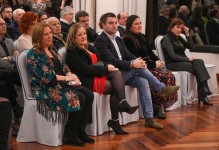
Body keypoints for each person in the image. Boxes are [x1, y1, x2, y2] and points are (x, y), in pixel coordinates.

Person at [94, 13, 179, 129]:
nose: (114, 25)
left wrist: (138, 61)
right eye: (110, 23)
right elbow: (112, 61)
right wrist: (133, 64)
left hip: (124, 72)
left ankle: (149, 118)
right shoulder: (101, 41)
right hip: (113, 76)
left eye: (115, 23)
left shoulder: (118, 39)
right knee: (138, 68)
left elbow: (128, 55)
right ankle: (161, 88)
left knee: (143, 81)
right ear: (103, 25)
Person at [26, 23, 94, 146]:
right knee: (78, 97)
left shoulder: (52, 50)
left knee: (88, 94)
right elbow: (47, 77)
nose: (49, 36)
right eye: (46, 34)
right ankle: (70, 134)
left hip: (60, 85)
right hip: (45, 88)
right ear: (38, 37)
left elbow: (64, 66)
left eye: (50, 33)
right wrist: (67, 78)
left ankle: (80, 130)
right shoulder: (34, 54)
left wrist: (72, 75)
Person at [65, 23, 139, 134]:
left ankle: (121, 108)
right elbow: (86, 69)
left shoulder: (89, 47)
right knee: (116, 87)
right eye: (79, 35)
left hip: (97, 74)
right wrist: (106, 68)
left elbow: (100, 62)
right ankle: (116, 119)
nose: (83, 36)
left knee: (116, 73)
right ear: (73, 37)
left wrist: (108, 67)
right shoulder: (72, 51)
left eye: (84, 33)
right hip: (88, 80)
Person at [123, 15, 178, 119]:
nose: (139, 26)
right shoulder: (127, 40)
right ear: (130, 27)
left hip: (147, 65)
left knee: (169, 75)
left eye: (140, 23)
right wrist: (153, 64)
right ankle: (156, 107)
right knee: (161, 77)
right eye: (136, 24)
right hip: (139, 67)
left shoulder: (142, 36)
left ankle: (161, 105)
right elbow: (135, 59)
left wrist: (158, 60)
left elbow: (150, 53)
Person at [161, 18, 212, 105]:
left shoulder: (179, 37)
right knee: (198, 67)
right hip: (173, 64)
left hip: (183, 61)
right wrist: (188, 59)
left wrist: (187, 34)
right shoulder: (167, 39)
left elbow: (192, 47)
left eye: (181, 28)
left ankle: (203, 90)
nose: (179, 30)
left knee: (199, 62)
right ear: (171, 27)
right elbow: (173, 56)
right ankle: (203, 92)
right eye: (177, 27)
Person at [0, 18, 23, 119]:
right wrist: (12, 59)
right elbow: (0, 63)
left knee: (23, 72)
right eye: (1, 25)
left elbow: (17, 57)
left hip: (12, 69)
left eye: (4, 24)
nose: (4, 26)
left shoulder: (9, 41)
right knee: (8, 73)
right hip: (6, 70)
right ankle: (15, 105)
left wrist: (8, 58)